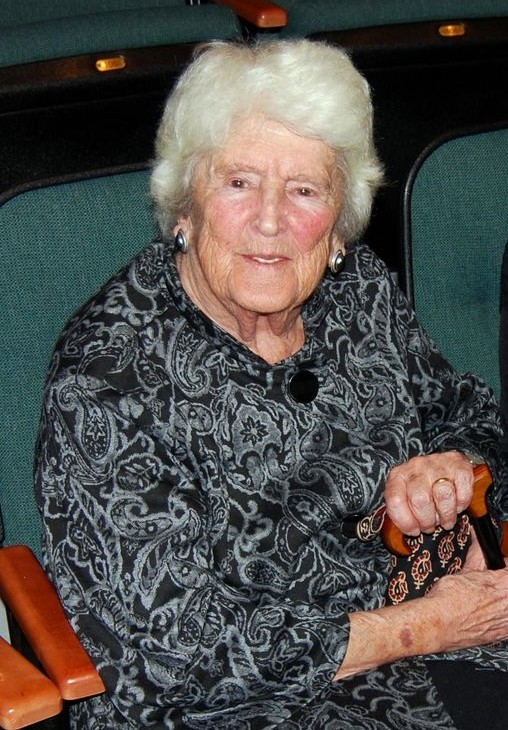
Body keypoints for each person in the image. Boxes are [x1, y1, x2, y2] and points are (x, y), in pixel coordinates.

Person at [35, 39, 508, 730]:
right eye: (239, 182)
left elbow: (468, 414)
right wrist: (430, 625)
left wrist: (454, 468)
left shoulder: (358, 291)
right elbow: (179, 654)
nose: (269, 219)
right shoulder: (108, 376)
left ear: (339, 222)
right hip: (239, 705)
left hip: (426, 638)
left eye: (304, 190)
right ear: (185, 205)